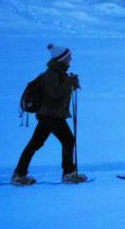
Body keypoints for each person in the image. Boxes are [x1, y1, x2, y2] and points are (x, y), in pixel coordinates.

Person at [13, 45, 85, 185]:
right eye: (68, 57)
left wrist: (69, 82)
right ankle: (68, 173)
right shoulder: (51, 74)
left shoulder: (58, 73)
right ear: (61, 59)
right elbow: (55, 93)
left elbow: (58, 91)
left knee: (37, 143)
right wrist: (69, 82)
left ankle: (19, 173)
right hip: (51, 116)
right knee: (67, 140)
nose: (70, 59)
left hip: (51, 115)